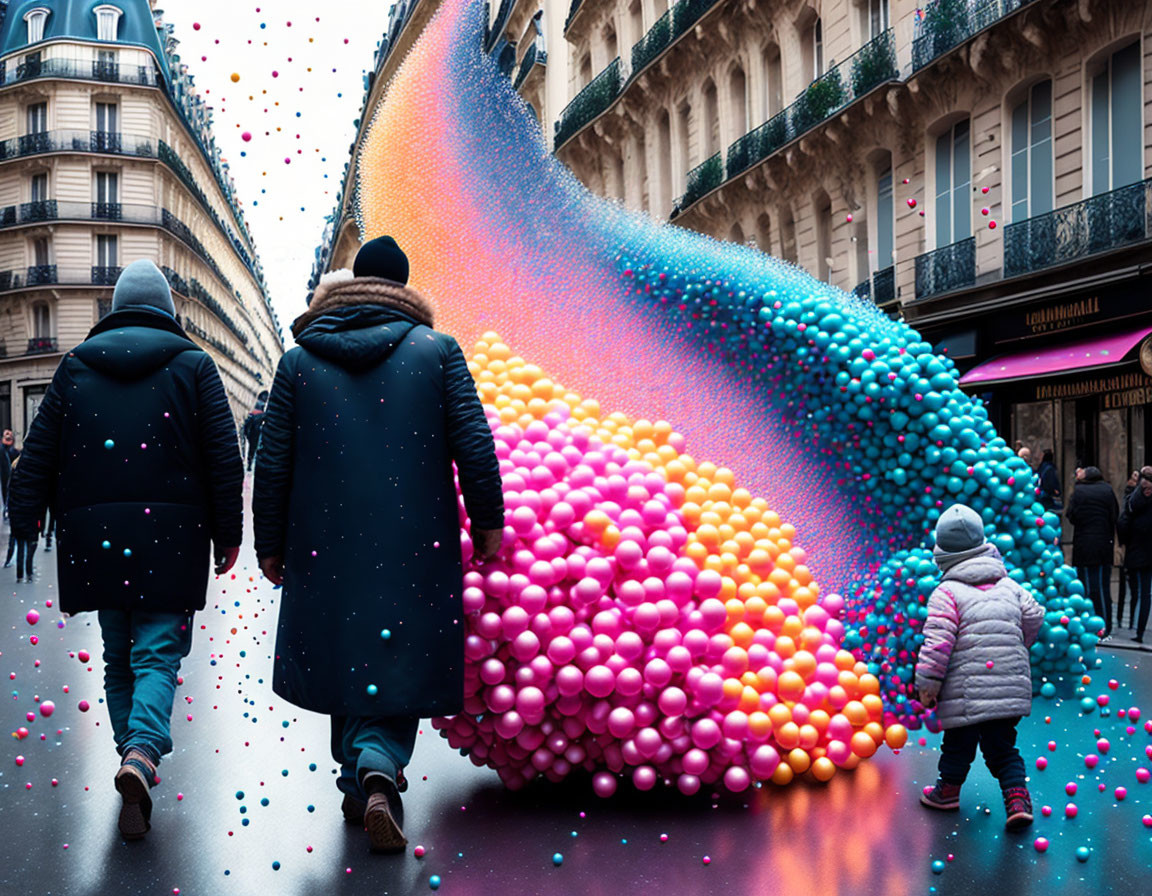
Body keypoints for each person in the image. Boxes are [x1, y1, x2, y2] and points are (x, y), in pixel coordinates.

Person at [253, 235, 504, 854]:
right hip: (414, 537)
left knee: (346, 653)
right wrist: (488, 521)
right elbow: (474, 444)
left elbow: (273, 460)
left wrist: (269, 541)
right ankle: (377, 765)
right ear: (404, 286)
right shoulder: (437, 351)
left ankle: (359, 775)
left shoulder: (299, 362)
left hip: (322, 540)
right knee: (397, 655)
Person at [9, 259, 243, 841]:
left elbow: (35, 454)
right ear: (169, 308)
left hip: (98, 541)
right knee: (158, 655)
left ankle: (130, 758)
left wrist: (22, 516)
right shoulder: (195, 366)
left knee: (118, 656)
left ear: (114, 309)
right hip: (173, 538)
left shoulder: (76, 367)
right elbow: (223, 459)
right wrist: (230, 533)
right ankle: (141, 753)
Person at [915, 503, 1044, 830]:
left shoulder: (946, 593)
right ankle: (1017, 799)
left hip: (966, 691)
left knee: (958, 744)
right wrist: (1018, 645)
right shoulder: (1010, 586)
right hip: (1009, 688)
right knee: (1003, 748)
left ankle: (948, 792)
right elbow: (1035, 615)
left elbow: (938, 643)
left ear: (942, 553)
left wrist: (928, 686)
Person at [1065, 466, 1118, 640]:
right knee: (1103, 587)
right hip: (1104, 543)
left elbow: (1071, 515)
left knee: (1085, 587)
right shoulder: (1108, 490)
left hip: (1084, 544)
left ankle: (1088, 626)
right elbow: (1114, 515)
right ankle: (1105, 627)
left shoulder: (1079, 492)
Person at [1119, 467, 1152, 644]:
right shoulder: (1138, 500)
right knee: (1144, 593)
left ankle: (1137, 629)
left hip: (1138, 549)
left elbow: (1125, 518)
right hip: (1142, 549)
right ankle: (1138, 629)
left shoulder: (1135, 500)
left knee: (1140, 592)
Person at [1117, 471, 1139, 629]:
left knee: (1128, 589)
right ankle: (1132, 621)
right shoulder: (1132, 497)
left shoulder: (1130, 499)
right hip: (1134, 546)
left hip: (1131, 546)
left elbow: (1122, 522)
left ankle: (1126, 620)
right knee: (1137, 589)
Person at [242, 391, 269, 471]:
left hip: (253, 430)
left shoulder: (254, 405)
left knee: (252, 449)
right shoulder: (261, 407)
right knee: (254, 448)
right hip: (256, 430)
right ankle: (251, 464)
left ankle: (250, 464)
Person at [1, 429, 20, 518]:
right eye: (6, 435)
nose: (8, 436)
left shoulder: (14, 452)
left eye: (10, 435)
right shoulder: (2, 451)